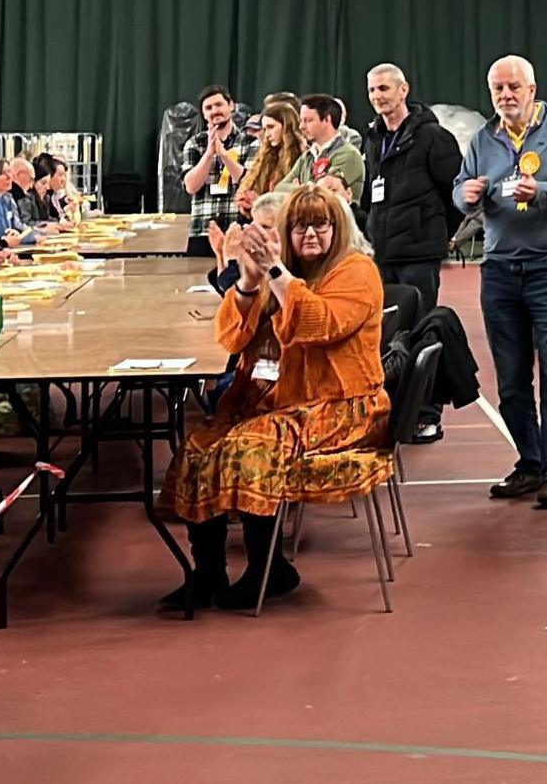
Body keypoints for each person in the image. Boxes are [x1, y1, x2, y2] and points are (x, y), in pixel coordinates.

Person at [161, 188, 393, 610]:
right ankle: (208, 571)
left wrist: (276, 271)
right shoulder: (278, 272)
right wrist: (248, 281)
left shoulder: (357, 272)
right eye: (299, 225)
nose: (309, 233)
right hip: (279, 399)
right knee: (200, 446)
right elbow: (232, 338)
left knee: (251, 448)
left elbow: (318, 323)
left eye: (320, 224)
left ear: (337, 229)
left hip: (342, 406)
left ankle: (268, 567)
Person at [455, 55, 547, 508]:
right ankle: (529, 461)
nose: (506, 96)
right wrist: (466, 195)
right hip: (499, 269)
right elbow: (460, 189)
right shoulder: (482, 139)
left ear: (532, 90)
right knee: (511, 378)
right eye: (498, 89)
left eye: (514, 87)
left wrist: (543, 191)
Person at [361, 63, 461, 442]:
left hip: (419, 255)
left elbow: (456, 193)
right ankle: (391, 409)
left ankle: (426, 412)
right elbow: (373, 194)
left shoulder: (433, 137)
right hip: (382, 255)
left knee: (422, 333)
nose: (377, 96)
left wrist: (440, 235)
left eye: (384, 88)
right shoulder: (372, 138)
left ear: (404, 90)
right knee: (385, 336)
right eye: (372, 90)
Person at [182, 86, 248, 256]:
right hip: (203, 231)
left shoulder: (250, 142)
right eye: (208, 108)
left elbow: (247, 182)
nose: (214, 111)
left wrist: (223, 154)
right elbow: (191, 186)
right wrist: (209, 153)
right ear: (203, 114)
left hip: (238, 231)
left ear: (231, 106)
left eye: (219, 105)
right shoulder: (194, 144)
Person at [236, 99, 304, 222]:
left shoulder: (303, 158)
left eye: (271, 127)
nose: (266, 135)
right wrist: (248, 204)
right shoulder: (263, 158)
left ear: (287, 126)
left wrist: (261, 202)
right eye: (264, 129)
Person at [294, 95, 365, 208]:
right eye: (301, 120)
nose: (301, 126)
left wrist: (299, 189)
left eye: (308, 120)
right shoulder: (307, 156)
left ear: (327, 120)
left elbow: (322, 193)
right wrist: (305, 190)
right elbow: (280, 187)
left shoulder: (349, 155)